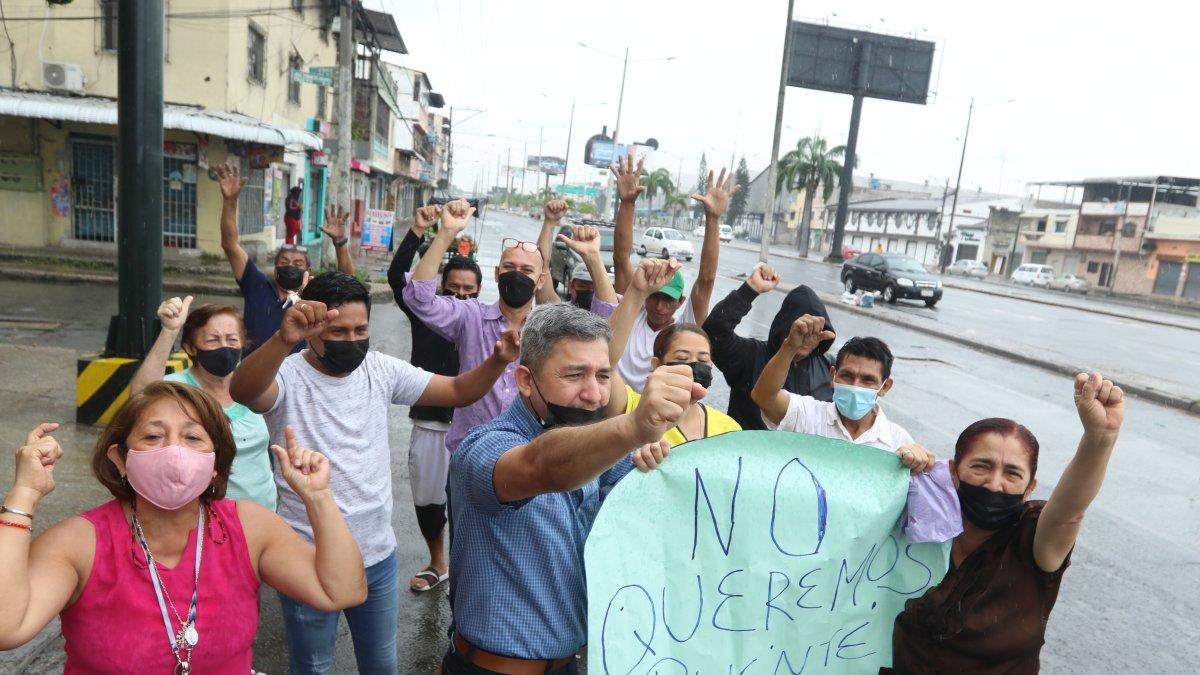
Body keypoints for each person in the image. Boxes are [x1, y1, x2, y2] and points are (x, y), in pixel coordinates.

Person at [229, 271, 519, 674]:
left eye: (360, 329)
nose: (352, 340)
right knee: (312, 666)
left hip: (377, 553)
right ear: (311, 329)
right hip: (305, 553)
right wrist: (282, 339)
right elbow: (244, 391)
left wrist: (498, 360)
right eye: (338, 331)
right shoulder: (288, 374)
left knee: (381, 665)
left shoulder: (380, 369)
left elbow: (457, 391)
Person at [0, 383, 366, 672]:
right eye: (152, 437)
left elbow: (340, 591)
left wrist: (319, 498)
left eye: (193, 438)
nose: (174, 451)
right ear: (120, 459)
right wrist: (24, 495)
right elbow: (7, 627)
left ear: (216, 464)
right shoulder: (79, 543)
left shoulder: (250, 527)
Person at [443, 303, 696, 674]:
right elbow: (542, 465)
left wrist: (653, 457)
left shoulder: (593, 444)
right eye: (576, 375)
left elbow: (654, 493)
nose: (594, 395)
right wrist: (633, 427)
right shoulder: (482, 450)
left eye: (603, 376)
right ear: (526, 380)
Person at [887, 373, 1124, 673]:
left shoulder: (1032, 541)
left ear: (1030, 488)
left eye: (1012, 474)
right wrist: (891, 472)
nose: (994, 484)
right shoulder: (915, 523)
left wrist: (1100, 437)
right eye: (981, 466)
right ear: (954, 472)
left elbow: (1069, 514)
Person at [403, 200, 616, 454]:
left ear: (540, 281)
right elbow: (418, 298)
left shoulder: (551, 329)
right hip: (469, 454)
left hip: (529, 456)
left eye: (527, 270)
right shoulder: (471, 316)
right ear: (496, 274)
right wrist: (446, 231)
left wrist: (592, 257)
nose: (517, 275)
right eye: (509, 267)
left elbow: (607, 323)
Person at [752, 322, 961, 542]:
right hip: (797, 541)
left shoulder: (898, 441)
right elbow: (764, 396)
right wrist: (789, 347)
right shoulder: (807, 414)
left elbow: (915, 516)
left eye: (868, 380)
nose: (855, 385)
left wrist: (922, 464)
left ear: (885, 387)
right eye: (847, 376)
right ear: (833, 375)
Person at [387, 203, 482, 592]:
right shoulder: (425, 314)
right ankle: (437, 561)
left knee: (475, 504)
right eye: (452, 289)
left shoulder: (486, 321)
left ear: (479, 294)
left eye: (468, 291)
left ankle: (471, 569)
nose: (459, 297)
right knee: (428, 500)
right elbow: (398, 278)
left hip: (475, 427)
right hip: (430, 422)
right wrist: (418, 231)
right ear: (439, 289)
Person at [604, 151, 739, 391]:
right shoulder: (632, 313)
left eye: (668, 299)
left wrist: (713, 218)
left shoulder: (685, 326)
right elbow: (621, 258)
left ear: (681, 302)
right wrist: (627, 203)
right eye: (654, 296)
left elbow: (706, 279)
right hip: (621, 407)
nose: (659, 306)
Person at [129, 296, 276, 510]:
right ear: (190, 347)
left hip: (264, 515)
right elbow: (139, 397)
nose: (224, 347)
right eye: (212, 340)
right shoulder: (178, 389)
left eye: (232, 339)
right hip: (206, 519)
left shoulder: (256, 387)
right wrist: (169, 331)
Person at [215, 161, 355, 354]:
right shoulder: (256, 284)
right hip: (252, 375)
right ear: (275, 268)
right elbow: (230, 245)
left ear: (309, 271)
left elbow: (349, 287)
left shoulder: (315, 297)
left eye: (298, 264)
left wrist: (340, 243)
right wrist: (230, 202)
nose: (290, 266)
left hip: (295, 379)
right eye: (284, 262)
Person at [606, 258, 741, 449]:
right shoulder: (633, 408)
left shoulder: (729, 428)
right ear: (657, 365)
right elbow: (604, 364)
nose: (693, 367)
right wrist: (636, 292)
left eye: (703, 359)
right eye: (682, 359)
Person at [703, 264, 836, 430]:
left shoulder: (829, 368)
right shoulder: (750, 355)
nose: (805, 337)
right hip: (748, 452)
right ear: (783, 327)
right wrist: (750, 289)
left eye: (813, 332)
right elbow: (713, 332)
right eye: (799, 329)